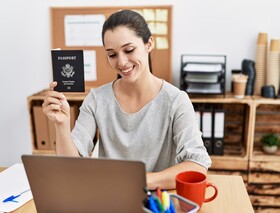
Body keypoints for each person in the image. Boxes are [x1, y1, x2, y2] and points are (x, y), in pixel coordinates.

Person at [42, 9, 211, 190]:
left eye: (129, 50)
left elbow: (197, 166)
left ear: (149, 44)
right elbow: (70, 168)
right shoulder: (97, 99)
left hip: (157, 203)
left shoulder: (176, 100)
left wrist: (139, 180)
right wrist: (61, 124)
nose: (121, 62)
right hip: (111, 199)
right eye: (112, 54)